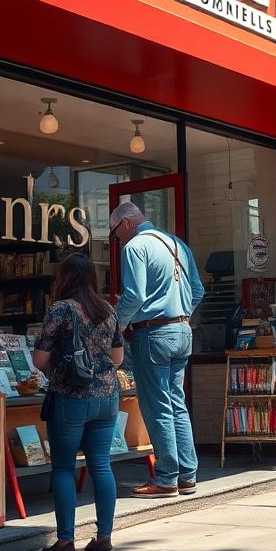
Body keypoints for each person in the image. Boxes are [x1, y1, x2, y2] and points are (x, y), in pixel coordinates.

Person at [33, 253, 124, 551]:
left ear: (65, 278)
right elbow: (119, 358)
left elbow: (40, 360)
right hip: (108, 395)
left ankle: (65, 542)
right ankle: (104, 539)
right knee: (100, 464)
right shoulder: (108, 310)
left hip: (70, 396)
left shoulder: (60, 309)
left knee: (62, 467)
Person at [110, 201, 204, 498]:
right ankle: (187, 475)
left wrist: (116, 324)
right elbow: (198, 291)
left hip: (152, 333)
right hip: (182, 330)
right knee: (177, 403)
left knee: (157, 405)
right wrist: (179, 313)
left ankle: (166, 478)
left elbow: (135, 295)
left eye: (114, 234)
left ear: (125, 224)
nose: (117, 240)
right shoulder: (176, 244)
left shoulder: (135, 246)